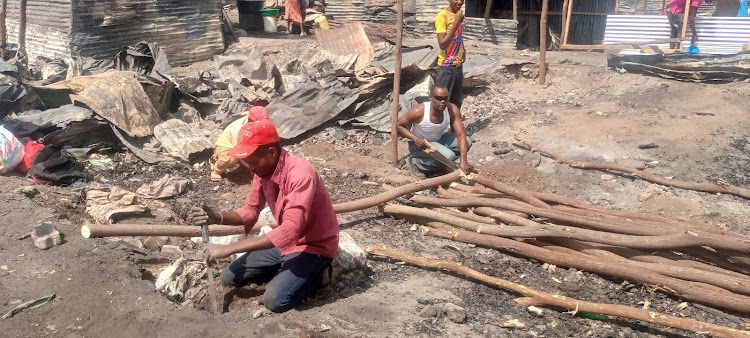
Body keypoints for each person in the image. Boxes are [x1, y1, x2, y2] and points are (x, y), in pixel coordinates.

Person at [187, 118, 339, 313]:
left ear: (271, 152)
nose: (249, 167)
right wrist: (217, 216)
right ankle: (290, 271)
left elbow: (290, 230)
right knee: (228, 277)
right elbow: (250, 210)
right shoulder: (263, 170)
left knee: (275, 301)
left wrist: (229, 248)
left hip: (313, 246)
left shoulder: (301, 175)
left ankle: (320, 275)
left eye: (252, 161)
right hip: (285, 244)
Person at [397, 84, 472, 178]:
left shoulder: (451, 109)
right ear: (430, 97)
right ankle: (415, 162)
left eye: (445, 98)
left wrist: (464, 161)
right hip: (420, 144)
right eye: (438, 98)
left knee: (467, 141)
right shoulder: (419, 111)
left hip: (439, 139)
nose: (442, 102)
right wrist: (416, 139)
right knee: (449, 156)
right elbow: (399, 125)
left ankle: (441, 164)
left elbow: (461, 135)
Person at [210, 106, 269, 181]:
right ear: (250, 120)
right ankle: (216, 170)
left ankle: (245, 166)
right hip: (228, 145)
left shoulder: (257, 121)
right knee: (230, 159)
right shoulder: (237, 129)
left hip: (245, 143)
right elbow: (238, 152)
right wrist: (252, 170)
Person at [435, 0, 466, 108]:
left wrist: (463, 49)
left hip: (458, 66)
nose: (459, 2)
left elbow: (458, 35)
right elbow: (442, 44)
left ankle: (454, 124)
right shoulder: (442, 16)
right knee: (441, 103)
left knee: (456, 103)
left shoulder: (458, 14)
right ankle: (440, 125)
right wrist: (456, 22)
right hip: (446, 68)